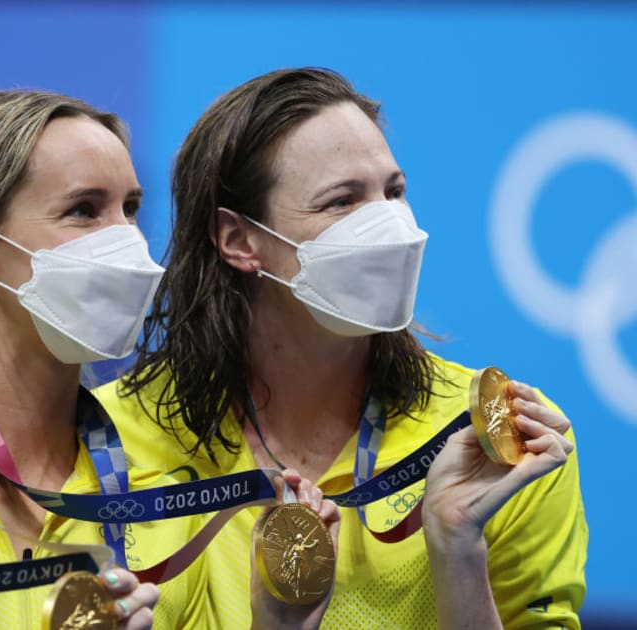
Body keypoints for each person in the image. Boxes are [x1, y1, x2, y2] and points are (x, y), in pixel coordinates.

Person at [98, 67, 586, 629]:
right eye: (341, 201)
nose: (391, 226)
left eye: (393, 192)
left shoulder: (498, 439)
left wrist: (458, 549)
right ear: (238, 240)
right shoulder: (107, 441)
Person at [0, 88, 339, 630]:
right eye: (83, 211)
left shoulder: (162, 492)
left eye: (129, 210)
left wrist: (280, 626)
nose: (127, 246)